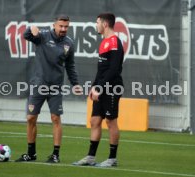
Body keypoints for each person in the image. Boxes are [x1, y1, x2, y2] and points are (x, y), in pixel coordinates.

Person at [15, 15, 81, 163]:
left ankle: (55, 155)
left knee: (55, 118)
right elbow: (26, 35)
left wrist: (75, 83)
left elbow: (70, 66)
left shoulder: (69, 43)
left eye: (66, 27)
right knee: (31, 118)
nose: (63, 29)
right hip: (38, 84)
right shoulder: (43, 36)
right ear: (54, 25)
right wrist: (31, 29)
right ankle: (31, 154)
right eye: (61, 26)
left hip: (56, 87)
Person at [73, 13, 124, 167]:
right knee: (95, 120)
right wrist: (94, 87)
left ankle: (112, 158)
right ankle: (90, 157)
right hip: (101, 88)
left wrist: (101, 87)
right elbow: (101, 69)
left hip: (112, 87)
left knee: (110, 121)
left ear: (105, 24)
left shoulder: (115, 42)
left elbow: (114, 70)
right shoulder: (104, 42)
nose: (96, 25)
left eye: (97, 22)